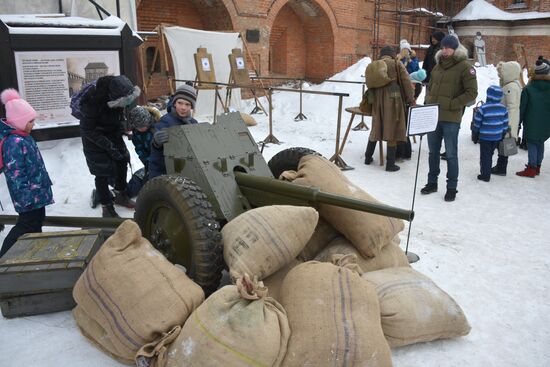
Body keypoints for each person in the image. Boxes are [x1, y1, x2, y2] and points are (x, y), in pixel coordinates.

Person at [421, 35, 478, 202]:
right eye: (443, 47)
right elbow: (430, 88)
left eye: (448, 47)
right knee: (433, 152)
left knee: (451, 154)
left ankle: (451, 187)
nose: (445, 50)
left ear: (455, 49)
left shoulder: (465, 67)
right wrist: (428, 103)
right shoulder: (437, 67)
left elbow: (471, 93)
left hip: (451, 118)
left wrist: (453, 104)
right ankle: (432, 183)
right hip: (434, 116)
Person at [0, 89, 54, 257]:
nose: (33, 124)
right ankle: (3, 256)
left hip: (37, 192)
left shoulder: (24, 137)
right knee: (25, 225)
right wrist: (26, 198)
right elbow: (15, 174)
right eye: (30, 121)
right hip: (28, 196)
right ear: (19, 121)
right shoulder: (13, 142)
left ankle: (33, 251)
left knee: (37, 223)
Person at [79, 75, 140, 218]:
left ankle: (120, 195)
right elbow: (88, 130)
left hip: (112, 133)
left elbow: (118, 116)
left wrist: (122, 129)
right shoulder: (92, 102)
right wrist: (109, 147)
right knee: (102, 172)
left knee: (122, 160)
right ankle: (107, 207)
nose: (125, 105)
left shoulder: (118, 96)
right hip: (93, 140)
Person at [364, 45, 415, 172]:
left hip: (377, 99)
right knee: (392, 128)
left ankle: (367, 157)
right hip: (394, 96)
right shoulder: (396, 64)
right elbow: (406, 83)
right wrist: (410, 99)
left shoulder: (375, 64)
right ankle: (390, 164)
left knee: (377, 126)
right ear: (392, 54)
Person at [149, 84, 198, 179]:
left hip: (188, 171)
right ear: (174, 103)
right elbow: (154, 152)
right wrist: (156, 142)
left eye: (187, 104)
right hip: (166, 172)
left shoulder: (194, 123)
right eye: (180, 103)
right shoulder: (165, 121)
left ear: (191, 106)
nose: (183, 107)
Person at [515, 59, 550, 178]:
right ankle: (538, 166)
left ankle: (531, 168)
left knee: (532, 144)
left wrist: (518, 122)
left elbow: (522, 107)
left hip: (531, 122)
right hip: (546, 123)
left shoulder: (528, 89)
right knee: (540, 142)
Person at [471, 85, 509, 182]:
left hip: (485, 137)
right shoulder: (503, 108)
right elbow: (505, 123)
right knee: (490, 153)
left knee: (485, 155)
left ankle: (485, 175)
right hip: (497, 136)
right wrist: (503, 132)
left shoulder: (483, 108)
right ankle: (487, 170)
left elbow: (477, 122)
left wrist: (475, 132)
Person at [492, 61, 522, 175]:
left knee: (504, 144)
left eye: (502, 72)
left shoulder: (511, 87)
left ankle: (501, 168)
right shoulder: (510, 85)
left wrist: (507, 124)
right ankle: (500, 167)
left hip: (507, 122)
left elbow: (512, 107)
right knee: (502, 145)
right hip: (506, 121)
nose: (500, 75)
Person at [125, 105, 161, 197]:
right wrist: (146, 161)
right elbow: (139, 149)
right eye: (139, 126)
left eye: (144, 125)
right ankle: (113, 193)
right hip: (149, 163)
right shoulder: (136, 134)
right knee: (137, 183)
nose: (142, 128)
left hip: (162, 164)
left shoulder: (159, 128)